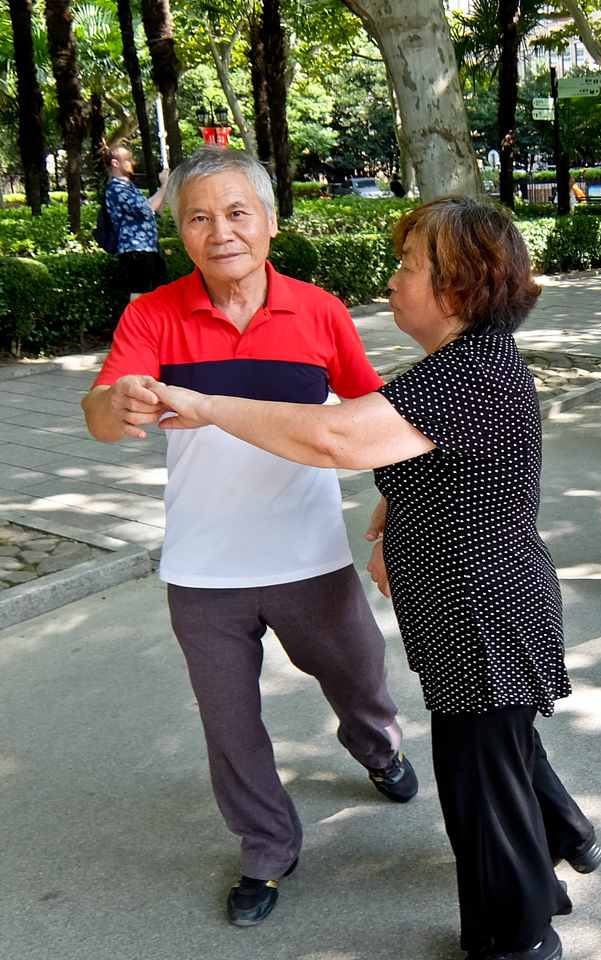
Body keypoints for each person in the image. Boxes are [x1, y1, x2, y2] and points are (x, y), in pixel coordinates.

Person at [149, 195, 600, 960]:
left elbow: (332, 437)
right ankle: (567, 838)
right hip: (476, 607)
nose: (392, 282)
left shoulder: (467, 375)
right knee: (502, 752)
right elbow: (420, 458)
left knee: (480, 790)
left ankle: (518, 938)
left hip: (481, 615)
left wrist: (205, 404)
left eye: (408, 267)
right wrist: (397, 516)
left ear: (457, 287)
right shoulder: (458, 368)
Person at [80, 148, 417, 928]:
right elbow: (101, 416)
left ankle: (378, 750)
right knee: (229, 724)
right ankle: (266, 845)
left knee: (361, 677)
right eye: (198, 217)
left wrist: (392, 517)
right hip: (204, 571)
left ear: (269, 221)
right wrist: (119, 402)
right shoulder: (152, 313)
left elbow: (374, 424)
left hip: (309, 558)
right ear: (181, 232)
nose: (219, 231)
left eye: (237, 213)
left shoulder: (318, 310)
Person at [102, 144, 169, 301]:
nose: (132, 162)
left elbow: (155, 210)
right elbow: (146, 209)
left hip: (149, 248)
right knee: (140, 293)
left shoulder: (130, 187)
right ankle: (136, 325)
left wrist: (165, 188)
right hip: (135, 250)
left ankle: (154, 325)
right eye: (127, 159)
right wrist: (165, 185)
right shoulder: (116, 188)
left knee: (159, 293)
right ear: (115, 163)